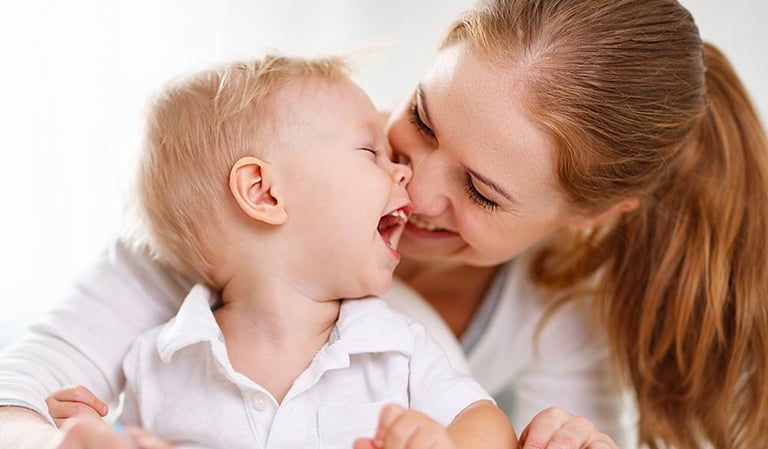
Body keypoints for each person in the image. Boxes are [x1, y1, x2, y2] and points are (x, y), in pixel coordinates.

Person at [1, 0, 766, 448]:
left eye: (481, 192)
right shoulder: (248, 192)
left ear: (587, 216)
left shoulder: (554, 307)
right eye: (423, 119)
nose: (413, 183)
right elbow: (21, 397)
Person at [42, 54, 517, 449]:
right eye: (370, 153)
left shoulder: (398, 347)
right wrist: (93, 432)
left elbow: (490, 427)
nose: (404, 173)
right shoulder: (160, 363)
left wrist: (445, 444)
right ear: (264, 193)